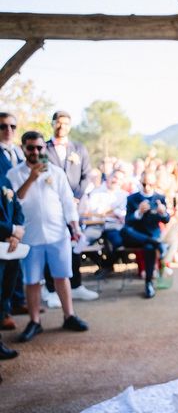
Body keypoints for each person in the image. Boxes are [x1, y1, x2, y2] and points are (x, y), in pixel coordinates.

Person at [6, 131, 89, 342]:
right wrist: (32, 178)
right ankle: (35, 321)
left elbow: (67, 201)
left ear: (44, 149)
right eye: (31, 147)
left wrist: (74, 226)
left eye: (39, 147)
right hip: (30, 236)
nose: (35, 151)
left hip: (57, 233)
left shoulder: (56, 172)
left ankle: (69, 315)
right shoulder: (14, 174)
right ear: (24, 148)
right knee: (32, 281)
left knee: (62, 276)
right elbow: (15, 202)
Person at [44, 110, 98, 304]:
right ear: (52, 124)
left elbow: (87, 175)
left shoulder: (79, 148)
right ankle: (51, 290)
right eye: (59, 123)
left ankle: (76, 285)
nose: (62, 126)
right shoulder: (43, 147)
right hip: (51, 206)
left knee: (74, 245)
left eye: (66, 123)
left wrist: (75, 197)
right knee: (52, 246)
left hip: (75, 206)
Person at [120, 170, 170, 299]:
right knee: (124, 230)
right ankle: (158, 244)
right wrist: (138, 212)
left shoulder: (160, 198)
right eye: (143, 184)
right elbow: (128, 221)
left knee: (149, 247)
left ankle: (149, 283)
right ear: (140, 183)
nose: (146, 187)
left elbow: (166, 219)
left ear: (154, 183)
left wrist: (162, 212)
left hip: (152, 236)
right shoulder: (132, 198)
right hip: (136, 236)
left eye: (149, 184)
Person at [0, 112, 28, 319]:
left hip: (14, 218)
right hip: (2, 224)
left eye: (12, 126)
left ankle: (17, 302)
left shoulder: (19, 152)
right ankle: (4, 313)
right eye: (2, 126)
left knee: (14, 268)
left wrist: (17, 230)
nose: (8, 130)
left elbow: (15, 197)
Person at [0, 174, 23, 362]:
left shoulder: (5, 180)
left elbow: (16, 207)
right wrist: (10, 231)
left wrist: (16, 232)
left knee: (6, 291)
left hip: (10, 248)